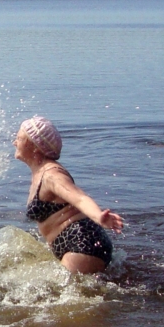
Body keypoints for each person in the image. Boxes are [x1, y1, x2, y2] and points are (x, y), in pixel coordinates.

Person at [15, 116, 124, 275]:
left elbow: (79, 197)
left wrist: (98, 216)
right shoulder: (39, 172)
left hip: (81, 244)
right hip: (74, 244)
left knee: (63, 297)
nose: (14, 142)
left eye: (18, 138)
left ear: (34, 146)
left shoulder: (51, 175)